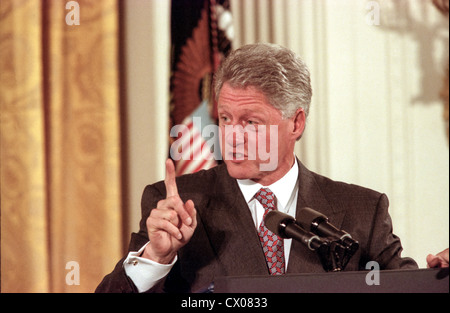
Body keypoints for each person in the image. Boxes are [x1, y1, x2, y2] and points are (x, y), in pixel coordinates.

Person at [96, 43, 445, 293]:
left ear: (296, 123)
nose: (231, 136)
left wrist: (441, 277)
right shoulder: (178, 205)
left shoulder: (362, 211)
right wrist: (156, 257)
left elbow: (407, 287)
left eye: (251, 122)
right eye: (225, 119)